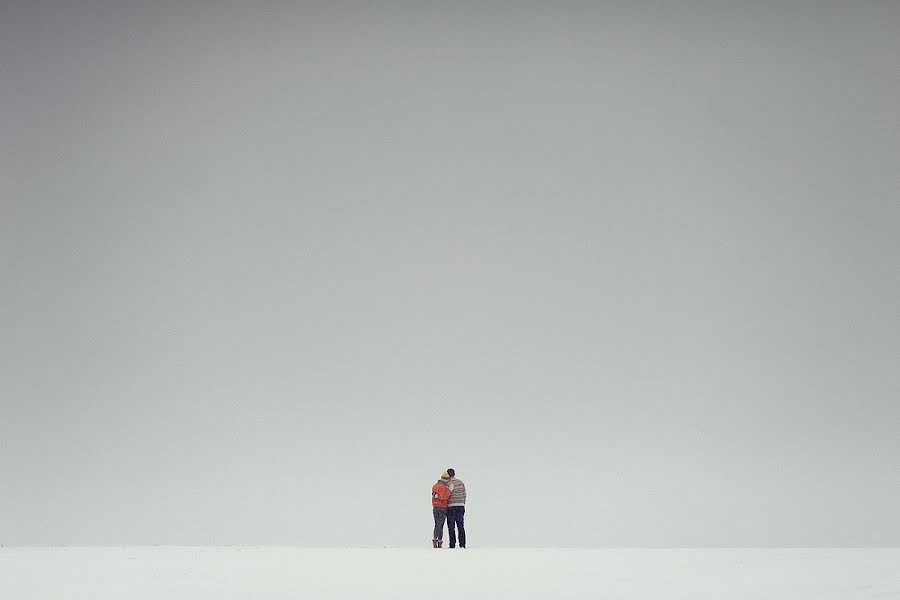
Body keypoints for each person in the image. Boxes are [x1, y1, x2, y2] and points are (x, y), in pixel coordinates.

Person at [446, 468, 467, 548]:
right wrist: (462, 504)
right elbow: (464, 494)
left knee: (451, 526)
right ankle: (462, 544)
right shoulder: (461, 482)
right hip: (460, 506)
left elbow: (447, 495)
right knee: (461, 526)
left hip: (451, 506)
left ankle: (452, 544)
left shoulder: (448, 484)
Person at [431, 472, 452, 548]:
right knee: (441, 525)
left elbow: (435, 496)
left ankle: (434, 540)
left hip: (435, 507)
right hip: (442, 507)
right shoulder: (443, 487)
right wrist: (449, 491)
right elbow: (444, 497)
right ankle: (439, 541)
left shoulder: (434, 486)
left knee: (436, 524)